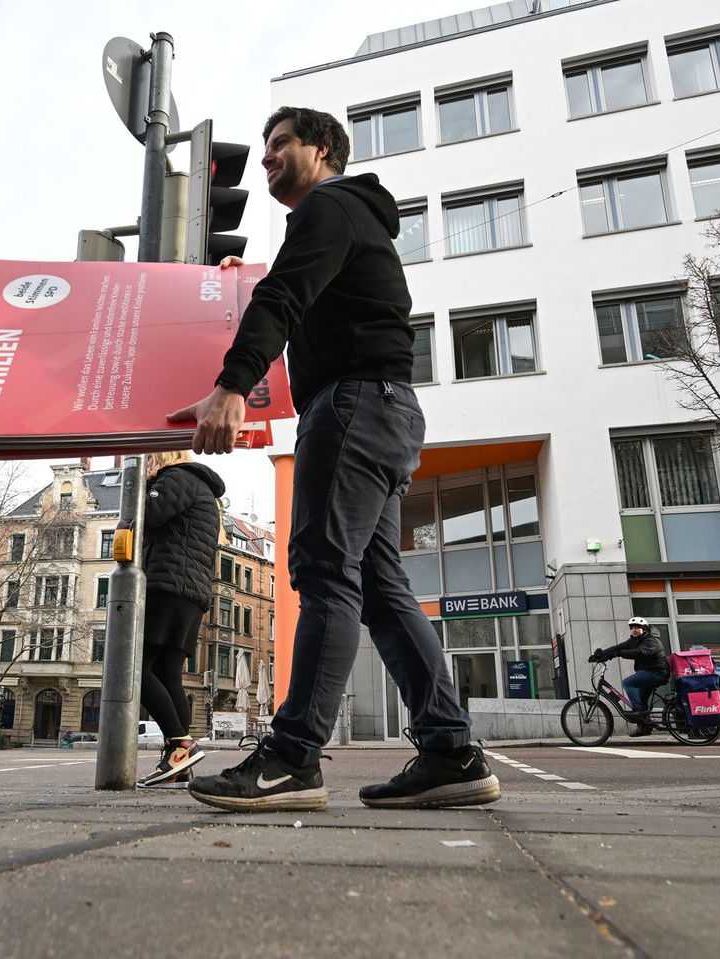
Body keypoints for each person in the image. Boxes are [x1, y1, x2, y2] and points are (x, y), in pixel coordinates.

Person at [169, 107, 500, 812]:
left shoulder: (327, 206)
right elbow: (302, 292)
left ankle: (293, 756)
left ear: (322, 150)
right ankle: (449, 749)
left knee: (324, 571)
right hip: (386, 409)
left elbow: (284, 296)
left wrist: (232, 387)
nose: (266, 160)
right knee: (379, 587)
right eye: (264, 150)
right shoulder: (352, 218)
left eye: (280, 145)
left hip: (351, 407)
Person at [135, 451, 225, 787]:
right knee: (167, 674)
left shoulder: (178, 478)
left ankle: (181, 745)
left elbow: (147, 513)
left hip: (167, 585)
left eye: (148, 462)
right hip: (190, 592)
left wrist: (141, 486)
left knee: (134, 671)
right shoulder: (199, 487)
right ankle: (180, 762)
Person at [590, 617, 670, 736]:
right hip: (645, 673)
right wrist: (602, 654)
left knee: (628, 683)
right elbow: (619, 647)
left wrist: (618, 654)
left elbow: (640, 652)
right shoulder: (634, 640)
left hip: (657, 673)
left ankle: (638, 713)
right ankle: (644, 727)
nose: (634, 630)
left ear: (644, 629)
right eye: (632, 628)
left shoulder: (652, 640)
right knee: (642, 701)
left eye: (637, 628)